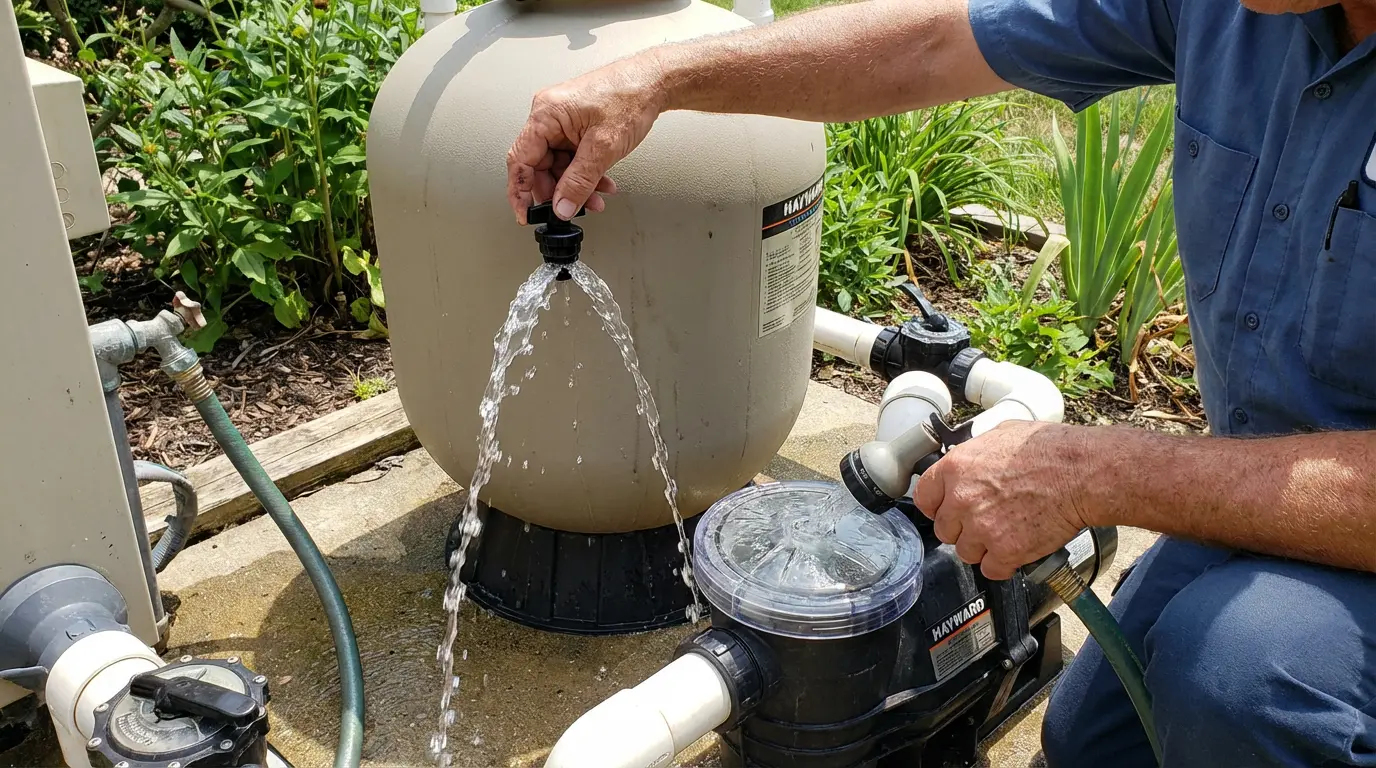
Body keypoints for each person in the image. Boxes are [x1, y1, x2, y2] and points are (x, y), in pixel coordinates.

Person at [504, 0, 1376, 764]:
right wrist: (659, 77)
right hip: (1268, 497)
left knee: (1237, 683)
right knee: (1097, 743)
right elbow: (933, 43)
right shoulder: (1233, 10)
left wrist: (1097, 471)